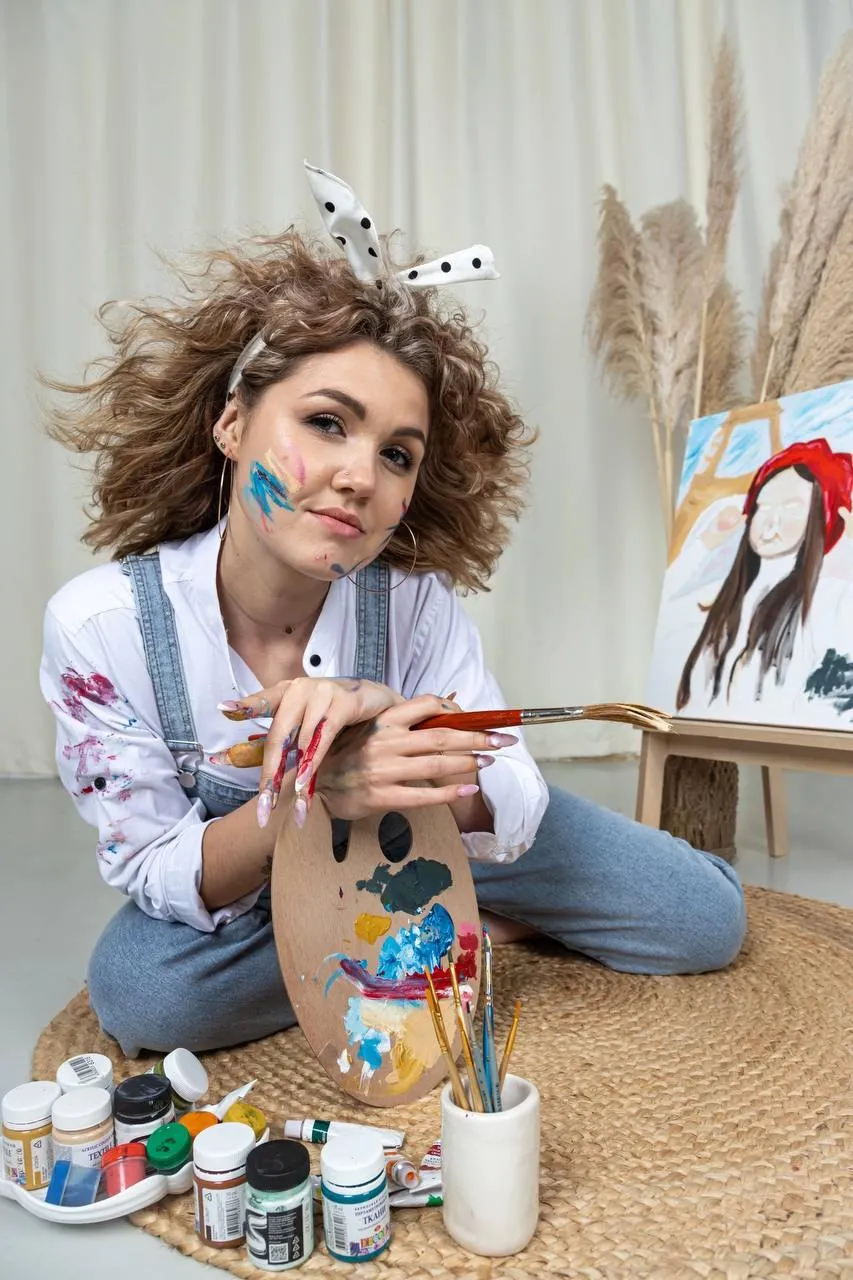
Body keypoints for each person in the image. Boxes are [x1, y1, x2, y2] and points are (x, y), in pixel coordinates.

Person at [40, 163, 745, 1057]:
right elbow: (155, 867)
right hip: (266, 875)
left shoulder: (412, 606)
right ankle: (441, 928)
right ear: (231, 425)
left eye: (399, 455)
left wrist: (407, 739)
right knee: (146, 997)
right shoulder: (104, 629)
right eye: (327, 423)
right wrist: (310, 796)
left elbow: (511, 791)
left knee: (703, 919)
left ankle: (440, 906)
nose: (360, 477)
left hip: (443, 832)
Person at [671, 439, 853, 717]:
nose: (771, 521)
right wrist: (705, 543)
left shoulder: (830, 600)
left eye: (792, 507)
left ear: (822, 519)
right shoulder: (718, 598)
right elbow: (669, 602)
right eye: (763, 506)